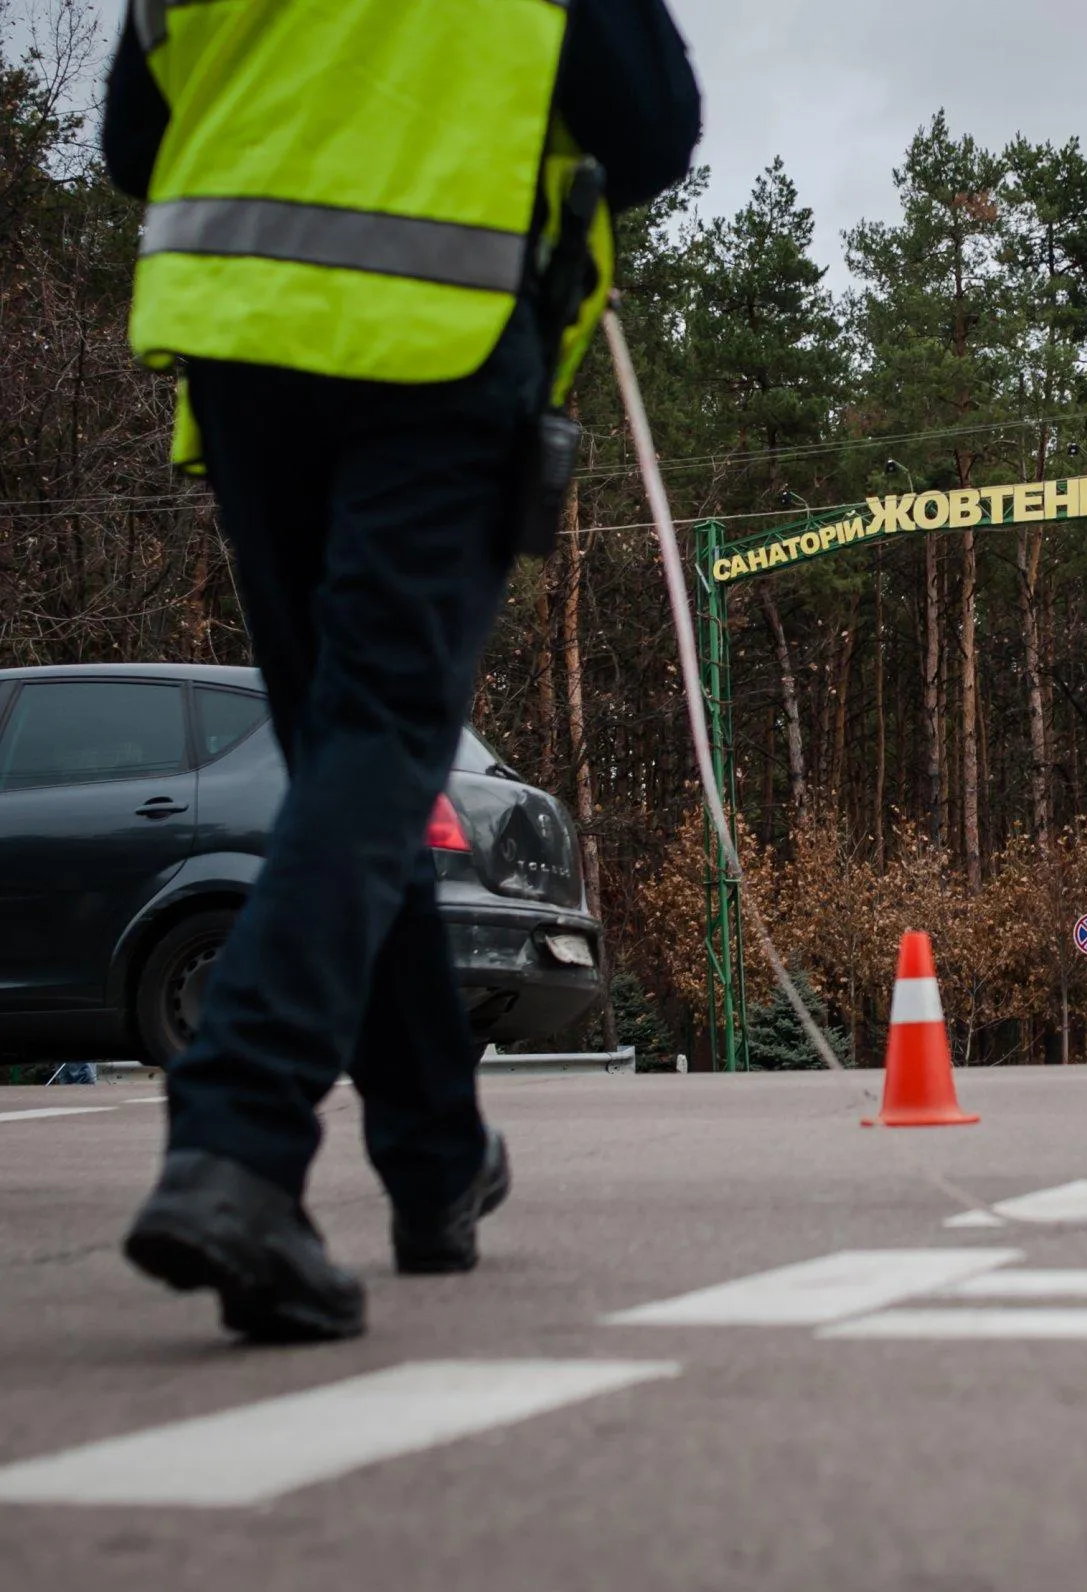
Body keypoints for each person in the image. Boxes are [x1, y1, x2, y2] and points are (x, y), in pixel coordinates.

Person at [103, 0, 700, 1343]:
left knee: (344, 767)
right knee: (377, 741)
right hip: (436, 345)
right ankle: (241, 1138)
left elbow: (136, 139)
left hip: (244, 344)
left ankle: (436, 1159)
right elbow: (651, 131)